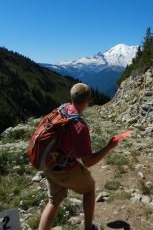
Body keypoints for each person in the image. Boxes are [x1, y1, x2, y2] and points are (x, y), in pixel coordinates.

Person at [38, 83, 118, 230]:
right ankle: (88, 227)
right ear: (88, 100)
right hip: (62, 167)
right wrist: (109, 147)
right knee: (89, 189)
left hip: (47, 162)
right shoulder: (79, 126)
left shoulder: (62, 108)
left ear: (72, 97)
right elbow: (88, 161)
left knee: (54, 201)